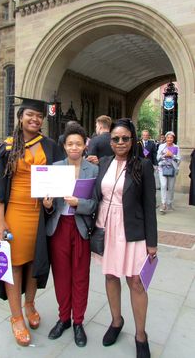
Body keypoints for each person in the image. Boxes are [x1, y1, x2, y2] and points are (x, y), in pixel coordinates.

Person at [0, 97, 62, 347]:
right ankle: (16, 316)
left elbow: (61, 175)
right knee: (14, 264)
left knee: (36, 261)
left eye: (39, 116)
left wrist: (51, 200)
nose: (35, 119)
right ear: (20, 117)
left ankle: (30, 303)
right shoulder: (8, 147)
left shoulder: (50, 145)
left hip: (40, 214)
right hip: (14, 213)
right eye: (30, 115)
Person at [94, 118, 157, 358]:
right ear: (109, 141)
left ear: (132, 140)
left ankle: (141, 335)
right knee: (110, 276)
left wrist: (152, 242)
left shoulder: (143, 165)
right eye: (115, 139)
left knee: (136, 282)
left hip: (133, 231)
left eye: (125, 138)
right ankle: (116, 321)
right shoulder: (103, 163)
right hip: (106, 227)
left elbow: (149, 206)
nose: (120, 142)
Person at [43, 123, 98, 347]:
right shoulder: (55, 167)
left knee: (81, 276)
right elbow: (48, 203)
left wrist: (79, 204)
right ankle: (64, 318)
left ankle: (78, 322)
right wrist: (47, 204)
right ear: (64, 146)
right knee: (62, 275)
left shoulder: (93, 169)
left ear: (85, 145)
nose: (74, 147)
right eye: (70, 144)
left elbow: (95, 203)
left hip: (81, 227)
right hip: (59, 228)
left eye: (78, 143)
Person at [157, 131, 181, 213]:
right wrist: (164, 155)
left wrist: (172, 155)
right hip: (162, 168)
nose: (169, 139)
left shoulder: (176, 147)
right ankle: (163, 203)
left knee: (170, 187)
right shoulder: (161, 146)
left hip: (172, 169)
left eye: (171, 138)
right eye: (168, 137)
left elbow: (179, 159)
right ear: (166, 138)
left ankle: (169, 203)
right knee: (163, 185)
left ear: (173, 139)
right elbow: (157, 158)